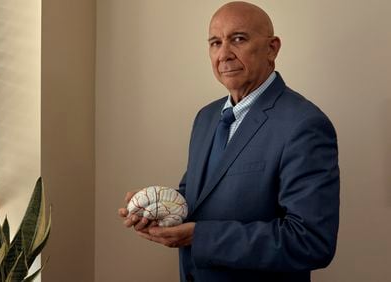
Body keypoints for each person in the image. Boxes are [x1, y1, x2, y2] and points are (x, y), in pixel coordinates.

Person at [118, 2, 339, 282]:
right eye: (215, 42)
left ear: (272, 48)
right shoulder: (206, 117)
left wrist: (200, 237)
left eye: (238, 39)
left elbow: (311, 242)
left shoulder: (304, 124)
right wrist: (157, 206)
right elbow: (199, 197)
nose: (224, 54)